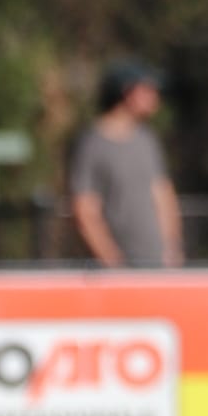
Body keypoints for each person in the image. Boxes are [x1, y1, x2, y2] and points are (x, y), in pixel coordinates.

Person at [69, 60, 183, 269]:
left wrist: (172, 247)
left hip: (157, 263)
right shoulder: (92, 143)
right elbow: (85, 209)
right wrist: (112, 261)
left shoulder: (147, 140)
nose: (154, 97)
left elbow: (163, 195)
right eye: (147, 90)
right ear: (126, 92)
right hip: (118, 268)